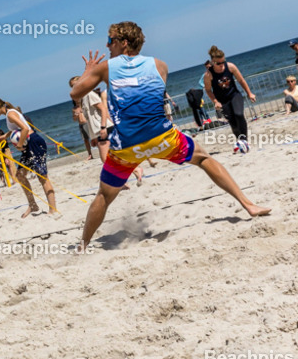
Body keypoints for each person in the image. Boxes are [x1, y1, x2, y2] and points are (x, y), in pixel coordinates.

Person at [71, 22, 271, 250]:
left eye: (110, 41)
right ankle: (249, 205)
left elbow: (75, 93)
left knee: (104, 196)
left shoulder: (105, 68)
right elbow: (150, 98)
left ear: (123, 43)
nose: (107, 45)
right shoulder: (160, 65)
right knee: (204, 159)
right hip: (162, 138)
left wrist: (88, 71)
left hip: (126, 146)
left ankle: (84, 244)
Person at [0, 97, 57, 217]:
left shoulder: (10, 114)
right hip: (29, 144)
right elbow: (19, 128)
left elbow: (25, 128)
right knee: (20, 175)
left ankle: (53, 210)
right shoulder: (10, 112)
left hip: (34, 143)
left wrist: (19, 145)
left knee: (43, 178)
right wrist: (5, 136)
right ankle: (33, 205)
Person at [69, 77, 143, 187]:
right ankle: (132, 172)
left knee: (105, 158)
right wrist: (93, 136)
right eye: (72, 87)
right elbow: (88, 119)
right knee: (111, 157)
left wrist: (103, 127)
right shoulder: (82, 99)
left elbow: (103, 109)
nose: (75, 88)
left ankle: (128, 176)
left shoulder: (89, 94)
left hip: (104, 128)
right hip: (98, 130)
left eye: (76, 85)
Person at [205, 45, 257, 153]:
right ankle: (240, 140)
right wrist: (215, 101)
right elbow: (208, 90)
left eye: (223, 62)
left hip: (234, 95)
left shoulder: (230, 67)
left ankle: (244, 141)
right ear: (213, 63)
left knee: (238, 114)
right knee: (232, 122)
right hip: (222, 100)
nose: (221, 65)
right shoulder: (208, 75)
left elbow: (241, 80)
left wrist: (249, 93)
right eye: (219, 63)